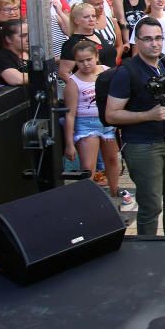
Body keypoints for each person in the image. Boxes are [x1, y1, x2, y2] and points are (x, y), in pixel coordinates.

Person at [106, 17, 165, 236]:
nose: (154, 44)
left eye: (158, 38)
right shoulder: (126, 72)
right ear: (137, 41)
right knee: (151, 206)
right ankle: (148, 253)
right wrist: (147, 115)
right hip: (143, 145)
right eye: (148, 39)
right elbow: (111, 114)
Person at [63, 40, 131, 205]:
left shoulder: (108, 72)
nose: (85, 64)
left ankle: (115, 194)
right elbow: (70, 114)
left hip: (107, 123)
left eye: (89, 59)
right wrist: (69, 143)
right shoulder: (73, 82)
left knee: (113, 160)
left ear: (96, 57)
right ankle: (88, 201)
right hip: (86, 125)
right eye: (80, 61)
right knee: (88, 166)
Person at [0, 19, 28, 85]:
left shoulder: (32, 52)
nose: (28, 39)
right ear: (8, 39)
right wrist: (42, 74)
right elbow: (17, 79)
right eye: (23, 36)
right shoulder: (1, 57)